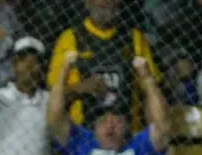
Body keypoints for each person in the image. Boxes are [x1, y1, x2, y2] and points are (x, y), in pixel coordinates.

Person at [47, 0, 160, 129]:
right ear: (86, 2)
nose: (105, 2)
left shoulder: (135, 38)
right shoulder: (69, 38)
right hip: (83, 136)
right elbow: (53, 96)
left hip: (128, 136)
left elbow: (151, 91)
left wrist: (150, 132)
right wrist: (80, 88)